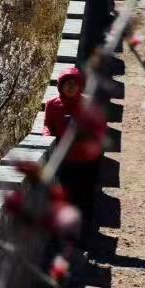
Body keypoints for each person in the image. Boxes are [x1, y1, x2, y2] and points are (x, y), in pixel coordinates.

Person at [43, 66, 106, 217]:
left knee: (86, 192)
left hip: (88, 159)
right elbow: (47, 124)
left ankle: (86, 223)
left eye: (74, 84)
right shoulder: (52, 104)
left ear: (80, 86)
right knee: (67, 192)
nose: (71, 88)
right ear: (61, 86)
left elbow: (100, 125)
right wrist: (47, 137)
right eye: (67, 84)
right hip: (66, 158)